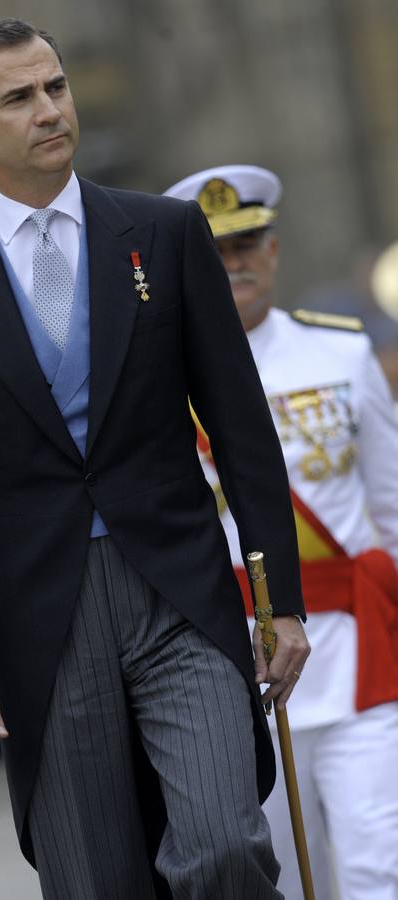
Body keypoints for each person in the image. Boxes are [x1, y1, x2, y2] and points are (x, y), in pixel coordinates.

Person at [0, 20, 309, 900]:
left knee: (225, 844)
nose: (49, 111)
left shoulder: (165, 231)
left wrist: (280, 603)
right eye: (19, 98)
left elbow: (240, 430)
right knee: (93, 881)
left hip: (180, 599)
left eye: (57, 88)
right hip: (44, 620)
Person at [165, 164, 398, 899]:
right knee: (275, 872)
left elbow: (389, 506)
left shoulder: (341, 351)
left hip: (356, 649)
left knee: (374, 863)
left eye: (248, 243)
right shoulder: (159, 376)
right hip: (230, 656)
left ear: (272, 250)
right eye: (216, 249)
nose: (234, 263)